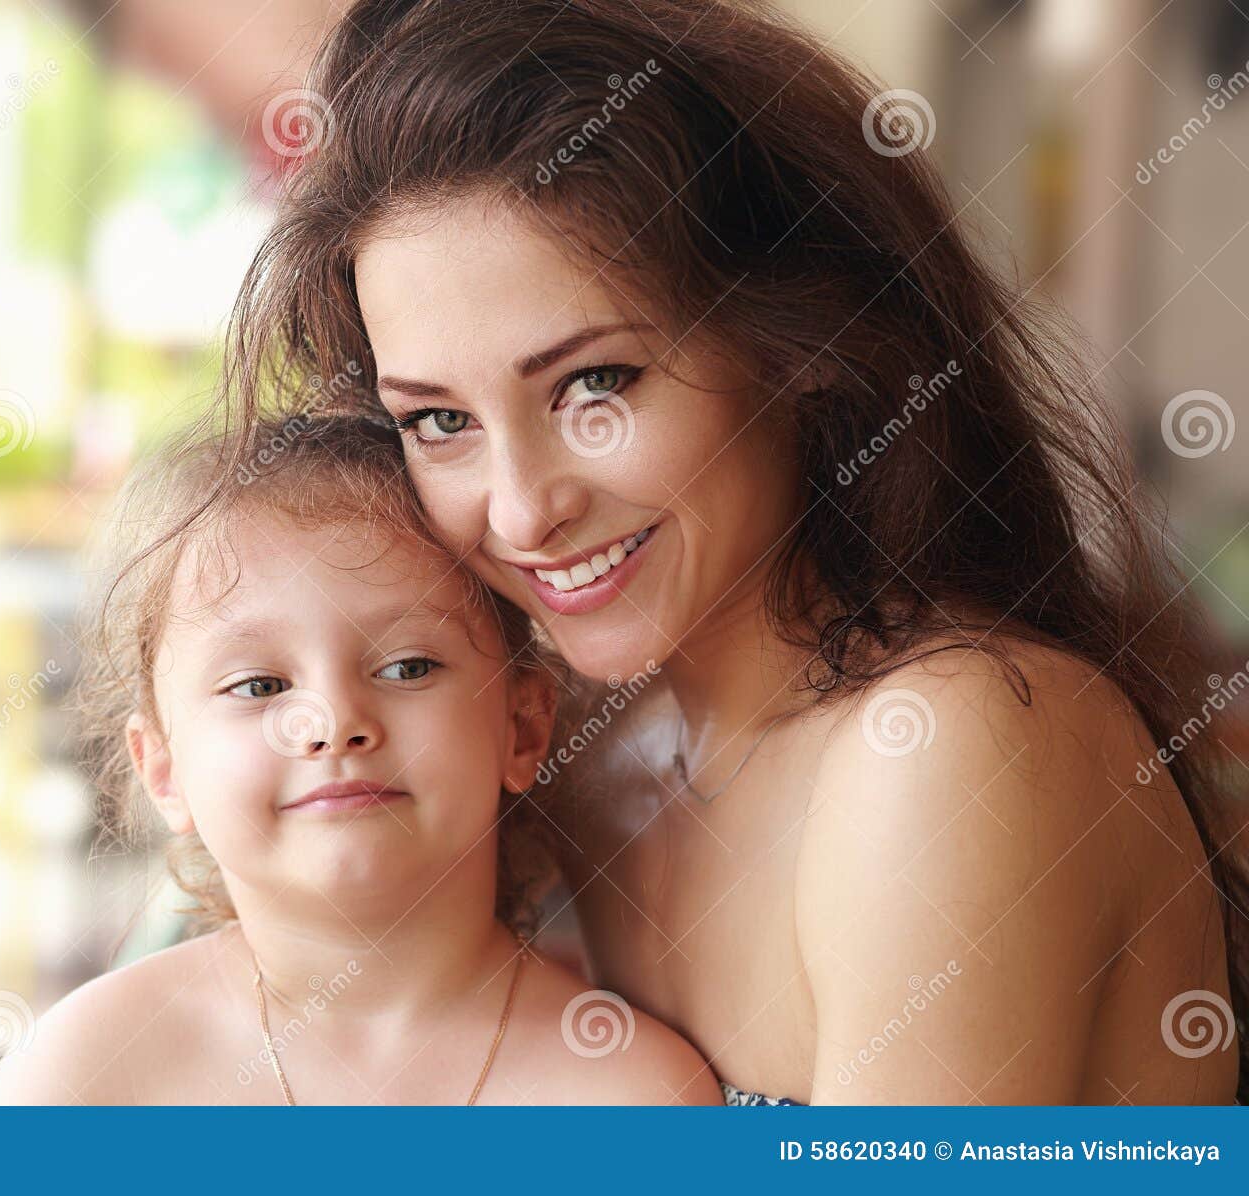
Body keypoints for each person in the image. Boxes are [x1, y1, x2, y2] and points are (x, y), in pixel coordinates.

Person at [214, 0, 1247, 1104]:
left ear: (800, 342)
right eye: (438, 421)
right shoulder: (575, 760)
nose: (520, 512)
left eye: (594, 385)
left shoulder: (948, 745)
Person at [0, 415, 720, 1105]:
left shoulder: (630, 1097)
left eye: (408, 668)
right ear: (163, 770)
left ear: (522, 727)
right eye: (259, 686)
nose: (331, 724)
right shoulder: (82, 1078)